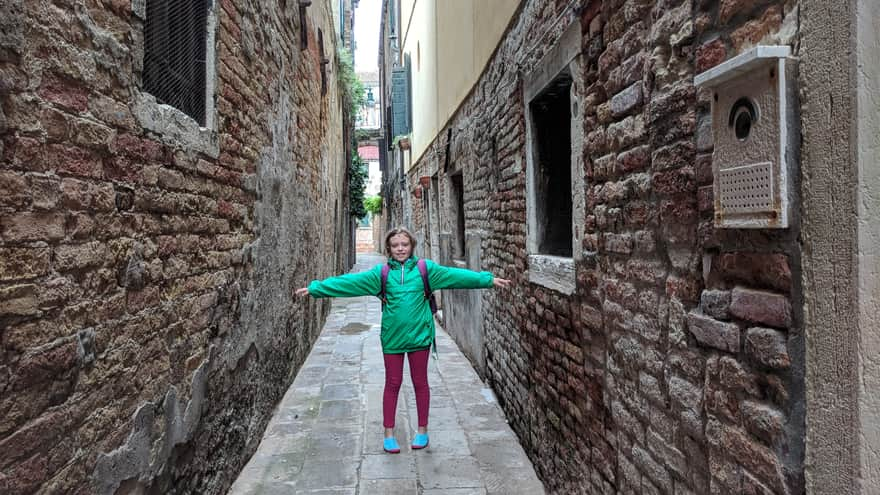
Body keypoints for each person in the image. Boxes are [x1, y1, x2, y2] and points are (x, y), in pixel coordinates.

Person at [295, 226, 511, 453]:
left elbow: (456, 276)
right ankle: (388, 433)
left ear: (412, 246)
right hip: (392, 338)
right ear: (389, 248)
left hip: (420, 337)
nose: (400, 249)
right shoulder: (381, 274)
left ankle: (422, 430)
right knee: (392, 384)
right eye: (396, 245)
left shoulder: (425, 269)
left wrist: (488, 280)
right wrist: (316, 289)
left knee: (420, 383)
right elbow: (349, 283)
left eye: (405, 245)